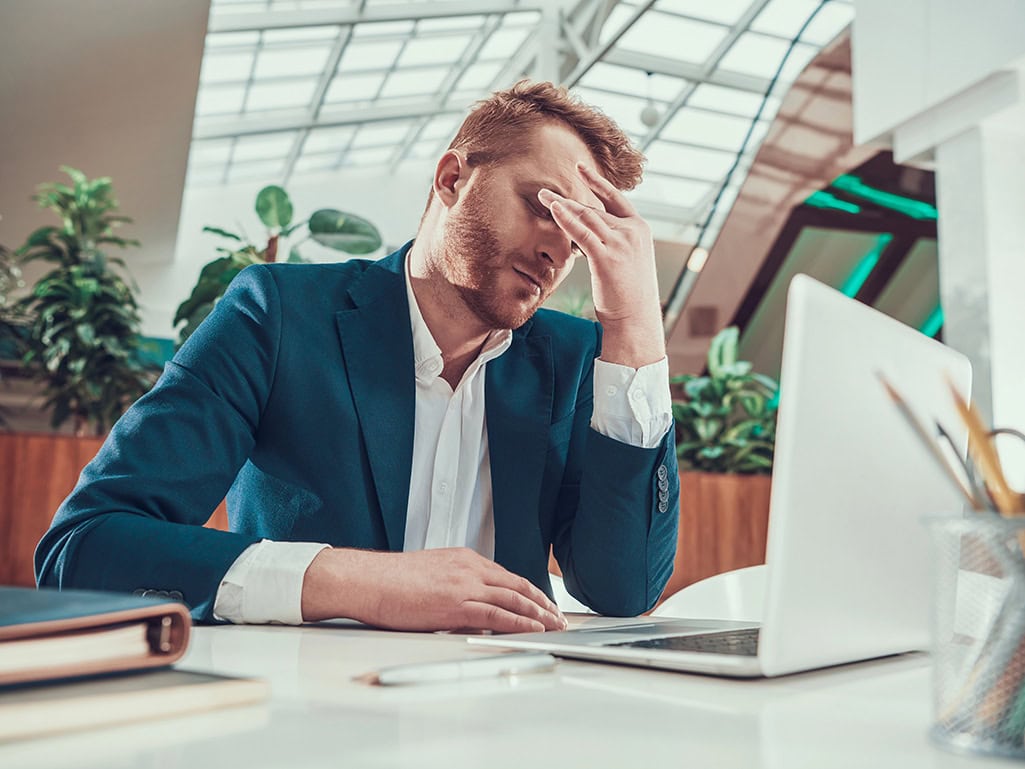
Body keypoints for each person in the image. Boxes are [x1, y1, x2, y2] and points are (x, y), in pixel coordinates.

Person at [35, 81, 679, 633]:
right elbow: (84, 546)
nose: (557, 251)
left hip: (505, 716)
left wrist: (635, 328)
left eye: (579, 234)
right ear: (453, 179)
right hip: (309, 711)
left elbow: (622, 591)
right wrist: (356, 582)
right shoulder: (279, 315)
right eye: (544, 207)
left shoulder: (573, 359)